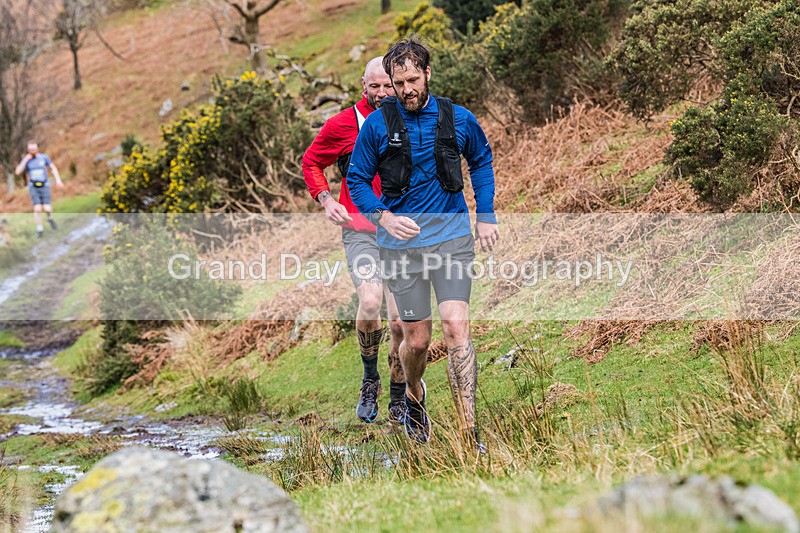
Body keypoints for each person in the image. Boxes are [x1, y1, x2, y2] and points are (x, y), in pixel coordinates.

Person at [347, 39, 499, 447]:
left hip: (451, 239)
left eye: (413, 80)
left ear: (428, 74)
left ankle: (469, 431)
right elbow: (356, 180)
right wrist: (384, 217)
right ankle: (414, 394)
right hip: (401, 250)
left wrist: (485, 214)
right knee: (415, 340)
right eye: (399, 83)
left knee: (455, 326)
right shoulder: (378, 125)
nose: (407, 90)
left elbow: (481, 161)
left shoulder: (457, 118)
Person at [302, 57, 407, 425]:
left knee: (399, 323)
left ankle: (398, 397)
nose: (381, 93)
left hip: (401, 235)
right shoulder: (342, 124)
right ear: (363, 86)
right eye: (374, 86)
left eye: (387, 86)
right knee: (370, 299)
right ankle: (369, 378)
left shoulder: (412, 116)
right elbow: (311, 162)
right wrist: (326, 199)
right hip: (359, 231)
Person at [14, 141, 64, 238]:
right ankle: (39, 229)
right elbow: (17, 172)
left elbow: (53, 167)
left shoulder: (44, 157)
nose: (32, 151)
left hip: (44, 185)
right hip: (33, 186)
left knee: (47, 208)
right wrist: (25, 160)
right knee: (37, 209)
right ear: (28, 150)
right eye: (30, 150)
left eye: (34, 149)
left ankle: (49, 218)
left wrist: (58, 180)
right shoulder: (26, 160)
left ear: (37, 149)